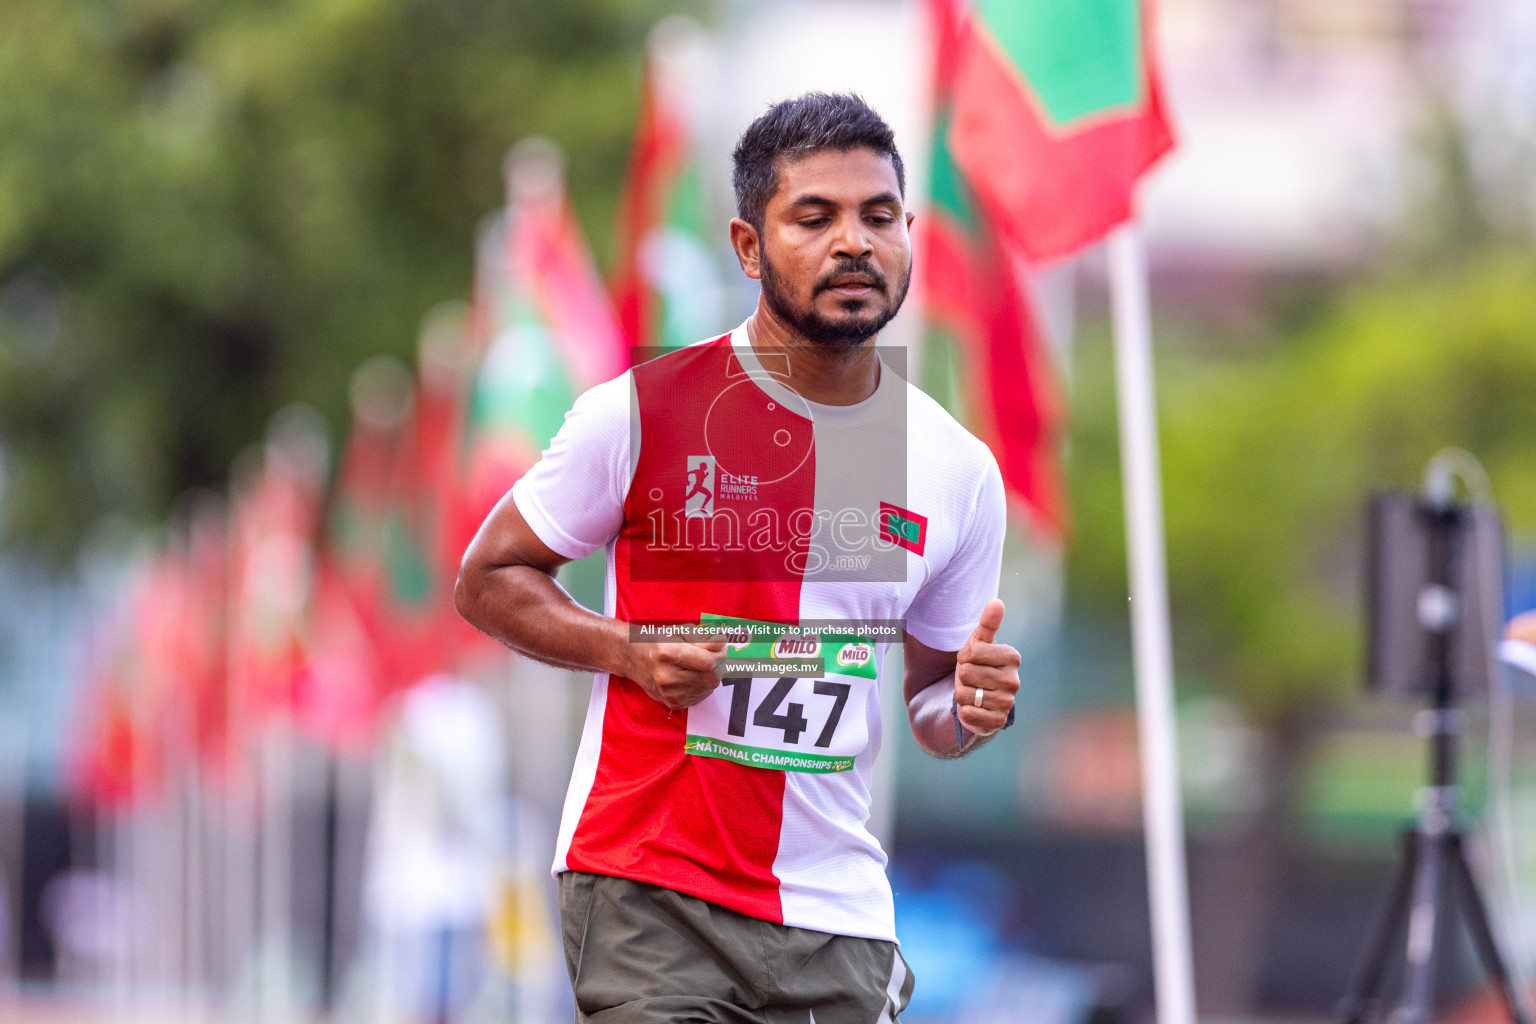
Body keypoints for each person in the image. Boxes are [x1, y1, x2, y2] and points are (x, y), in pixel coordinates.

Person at [456, 92, 1021, 1024]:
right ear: (748, 246)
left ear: (910, 235)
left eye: (879, 217)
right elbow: (489, 577)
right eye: (815, 217)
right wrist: (626, 652)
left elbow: (930, 704)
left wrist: (969, 708)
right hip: (650, 885)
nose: (855, 244)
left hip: (835, 910)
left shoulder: (955, 467)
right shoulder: (642, 411)